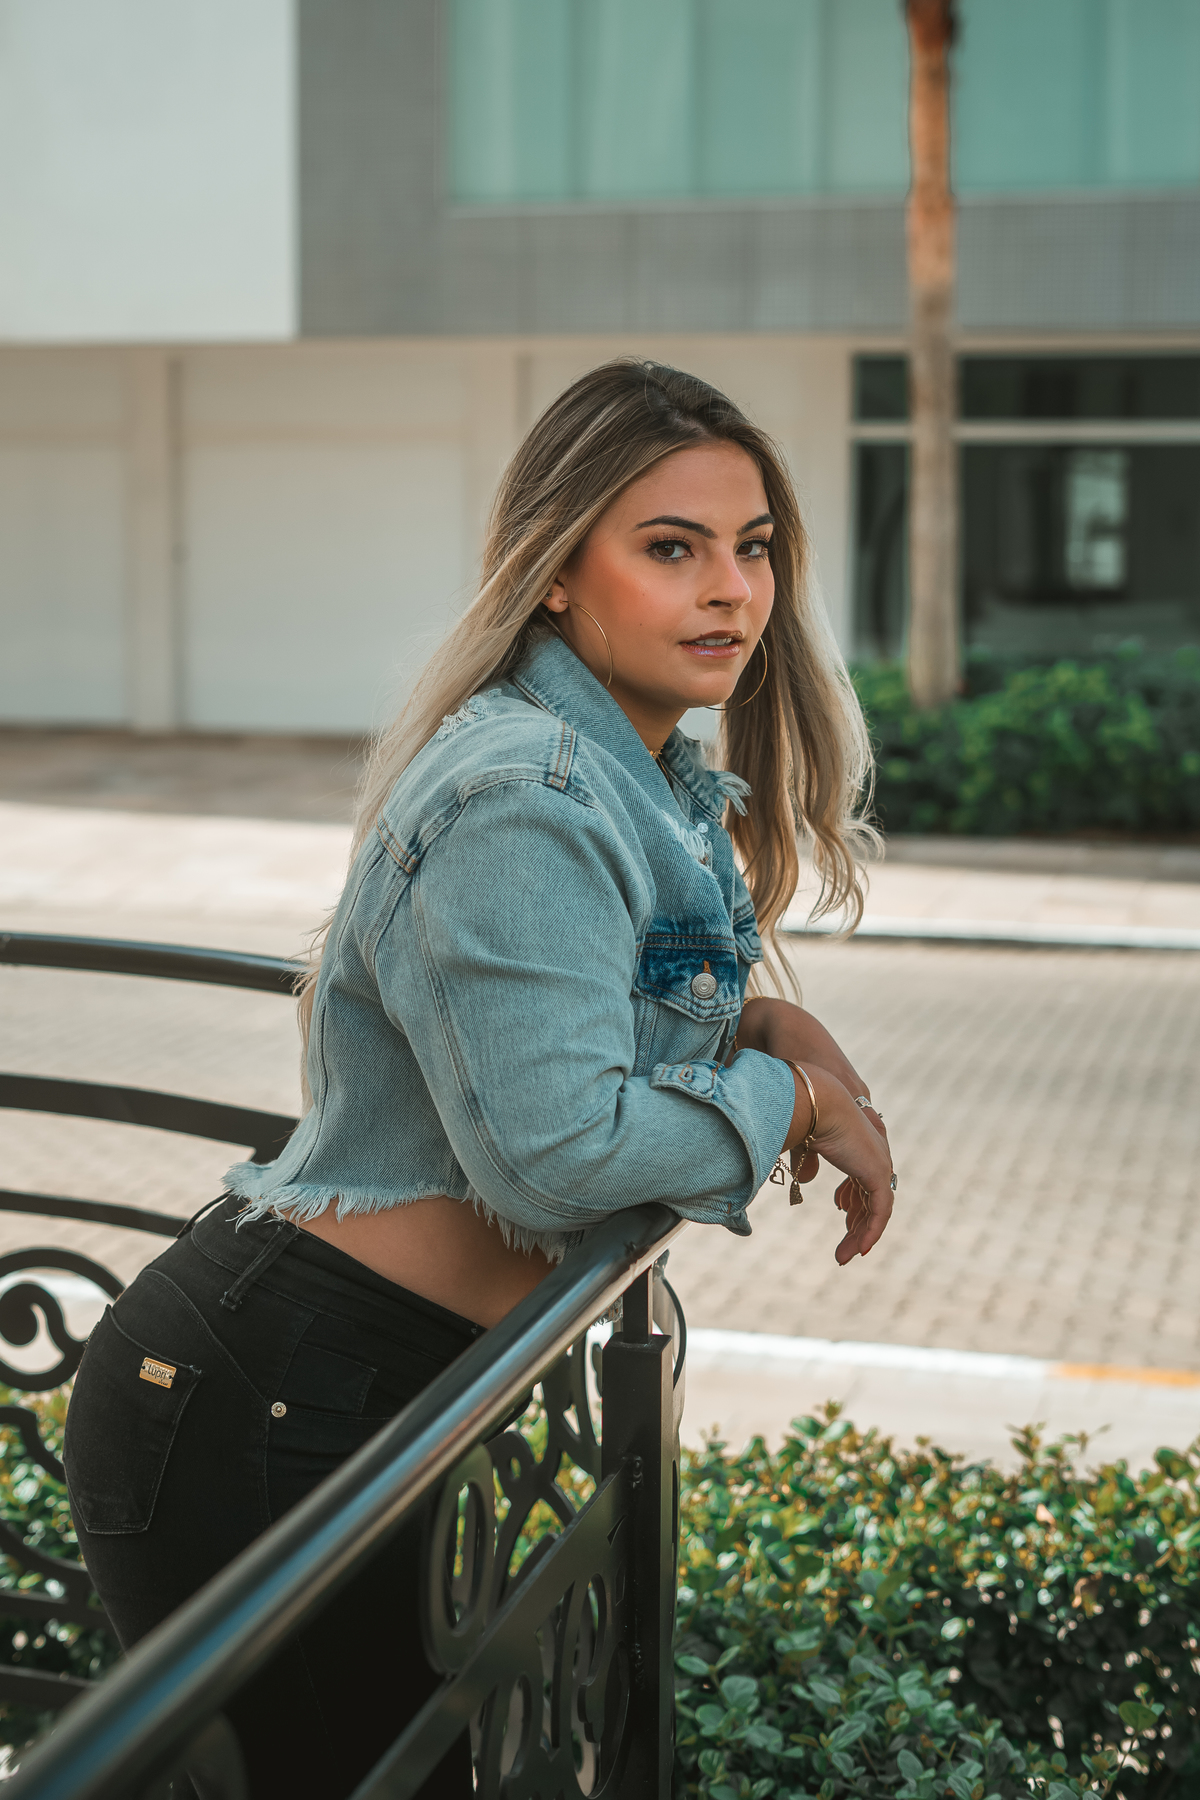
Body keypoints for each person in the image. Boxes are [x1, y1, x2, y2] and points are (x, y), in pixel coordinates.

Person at [63, 359, 895, 1796]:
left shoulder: (641, 773)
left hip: (378, 1384)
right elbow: (562, 1158)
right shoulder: (525, 794)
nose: (732, 591)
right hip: (267, 1393)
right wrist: (796, 1105)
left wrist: (771, 1027)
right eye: (672, 547)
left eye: (753, 547)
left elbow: (609, 1025)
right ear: (557, 572)